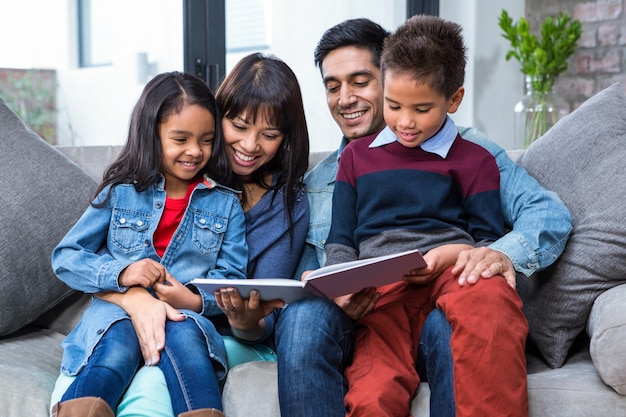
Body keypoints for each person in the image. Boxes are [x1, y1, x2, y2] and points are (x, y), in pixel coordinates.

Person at [297, 16, 572, 417]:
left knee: (490, 292)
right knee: (373, 392)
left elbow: (486, 242)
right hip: (381, 297)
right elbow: (341, 242)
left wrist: (453, 255)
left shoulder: (476, 156)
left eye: (359, 81)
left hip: (451, 273)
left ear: (453, 100)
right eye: (395, 107)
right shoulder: (351, 161)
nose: (405, 121)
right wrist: (333, 282)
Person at [50, 53, 312, 417]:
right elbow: (67, 257)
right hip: (117, 314)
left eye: (205, 140)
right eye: (181, 139)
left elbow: (231, 277)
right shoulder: (122, 191)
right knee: (119, 343)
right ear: (152, 134)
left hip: (191, 318)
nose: (195, 151)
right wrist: (123, 277)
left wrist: (191, 301)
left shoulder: (226, 202)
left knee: (188, 338)